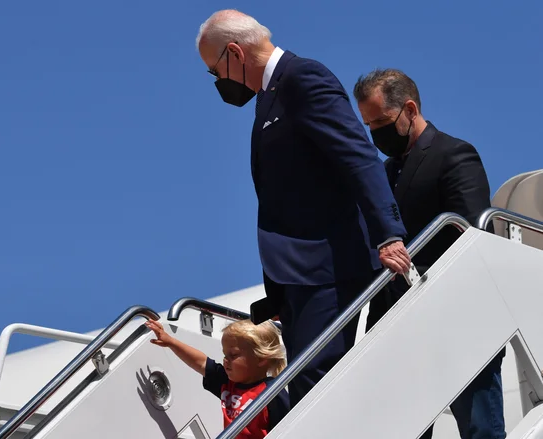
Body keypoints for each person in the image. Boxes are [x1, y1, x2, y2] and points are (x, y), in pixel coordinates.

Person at [195, 9, 411, 408]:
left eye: (215, 71)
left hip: (328, 265)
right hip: (297, 275)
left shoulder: (303, 78)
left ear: (234, 53)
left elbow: (357, 156)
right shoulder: (267, 99)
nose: (219, 82)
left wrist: (389, 233)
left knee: (316, 379)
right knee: (304, 382)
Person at [354, 68, 506, 439]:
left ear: (410, 109)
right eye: (368, 125)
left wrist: (408, 263)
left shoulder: (453, 154)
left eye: (382, 122)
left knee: (480, 430)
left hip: (457, 317)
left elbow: (470, 232)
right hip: (397, 325)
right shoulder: (383, 174)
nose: (375, 134)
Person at [145, 319, 290, 438]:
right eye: (225, 355)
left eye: (233, 355)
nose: (226, 360)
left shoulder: (273, 393)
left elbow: (289, 427)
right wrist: (170, 341)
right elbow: (201, 362)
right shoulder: (227, 383)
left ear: (261, 358)